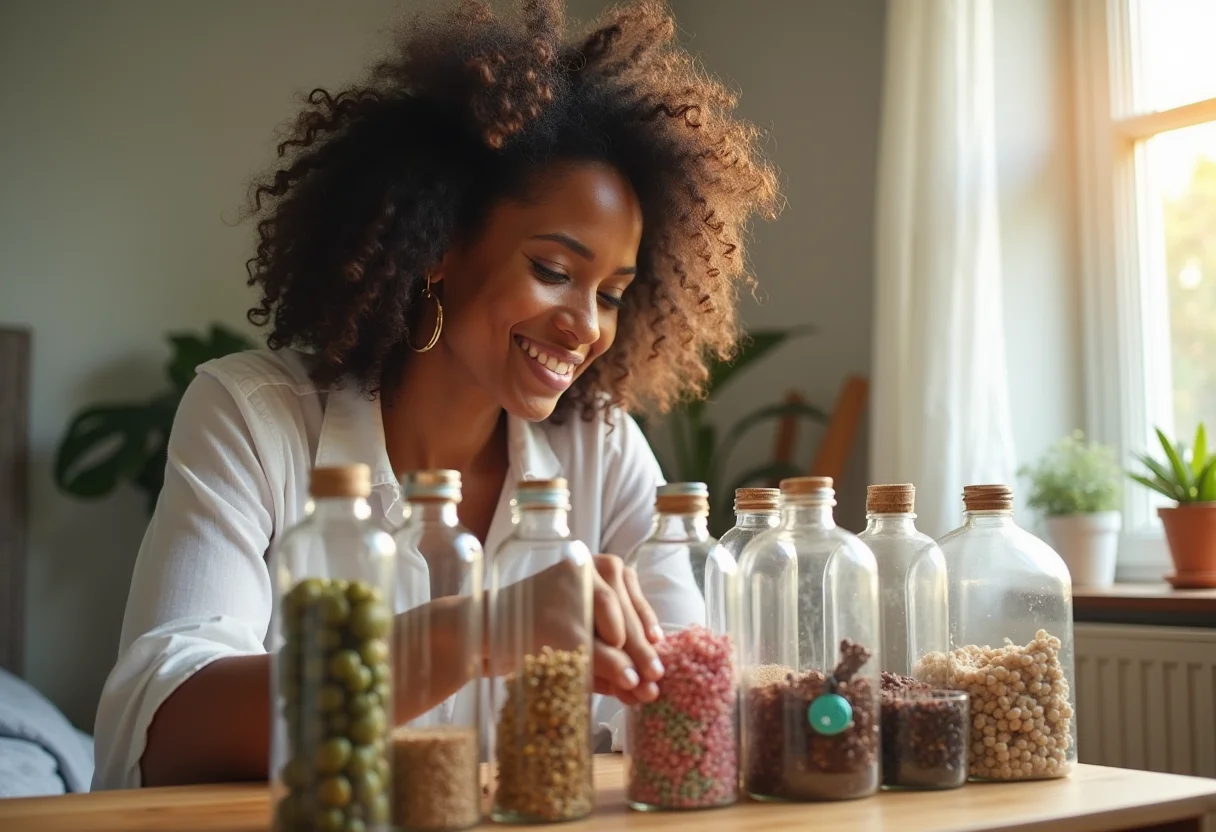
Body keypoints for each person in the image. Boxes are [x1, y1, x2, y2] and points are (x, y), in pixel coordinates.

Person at [91, 0, 779, 790]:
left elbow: (684, 703)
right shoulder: (254, 421)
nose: (584, 327)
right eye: (553, 271)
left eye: (613, 293)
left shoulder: (603, 448)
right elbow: (167, 730)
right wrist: (478, 633)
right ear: (440, 246)